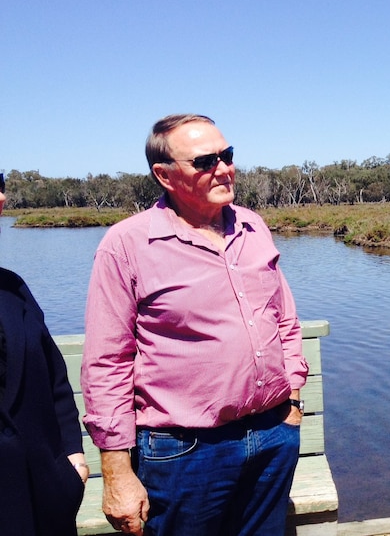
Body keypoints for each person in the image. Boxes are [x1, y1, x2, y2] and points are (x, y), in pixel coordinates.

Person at [81, 115, 308, 536]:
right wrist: (115, 472)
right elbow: (107, 362)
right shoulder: (126, 245)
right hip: (184, 452)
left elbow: (284, 316)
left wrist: (292, 396)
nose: (223, 168)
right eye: (205, 161)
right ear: (164, 175)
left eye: (228, 155)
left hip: (272, 435)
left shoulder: (252, 226)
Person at [0, 171, 89, 535]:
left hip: (43, 497)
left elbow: (55, 381)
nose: (1, 198)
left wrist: (73, 459)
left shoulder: (11, 287)